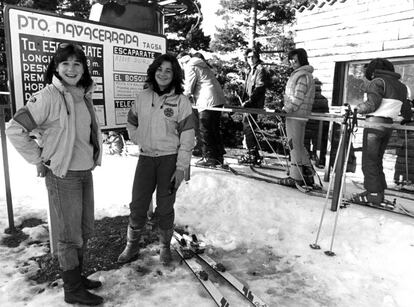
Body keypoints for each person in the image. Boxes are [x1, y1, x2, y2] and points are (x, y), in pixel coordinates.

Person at [6, 43, 103, 305]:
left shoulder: (83, 94)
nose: (71, 69)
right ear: (56, 68)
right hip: (63, 176)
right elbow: (15, 129)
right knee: (69, 235)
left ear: (83, 69)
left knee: (84, 230)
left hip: (84, 172)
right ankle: (72, 290)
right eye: (66, 64)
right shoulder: (48, 96)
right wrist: (38, 158)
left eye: (77, 64)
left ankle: (78, 277)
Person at [118, 53, 195, 265]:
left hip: (169, 160)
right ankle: (132, 246)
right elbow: (131, 123)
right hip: (145, 159)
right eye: (159, 69)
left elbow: (188, 139)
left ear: (175, 75)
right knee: (138, 204)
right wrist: (139, 137)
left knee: (164, 207)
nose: (163, 74)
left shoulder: (182, 102)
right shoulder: (142, 97)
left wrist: (181, 168)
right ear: (154, 71)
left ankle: (164, 247)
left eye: (168, 70)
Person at [351, 58, 412, 205]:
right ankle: (378, 192)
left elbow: (372, 104)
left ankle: (373, 194)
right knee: (377, 160)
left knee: (369, 161)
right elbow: (406, 110)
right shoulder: (401, 86)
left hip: (374, 125)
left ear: (372, 71)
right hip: (388, 126)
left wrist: (357, 109)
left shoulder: (378, 82)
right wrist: (406, 118)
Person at [179, 52, 226, 166]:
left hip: (207, 100)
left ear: (181, 62)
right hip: (217, 98)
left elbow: (189, 89)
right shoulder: (200, 64)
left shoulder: (190, 65)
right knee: (213, 128)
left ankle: (209, 158)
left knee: (205, 128)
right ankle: (218, 156)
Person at [280, 48, 316, 187]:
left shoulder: (302, 76)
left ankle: (296, 177)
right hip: (299, 114)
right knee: (299, 145)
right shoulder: (303, 75)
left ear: (302, 59)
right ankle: (307, 174)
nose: (292, 62)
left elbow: (297, 97)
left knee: (293, 144)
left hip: (295, 114)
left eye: (295, 60)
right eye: (291, 60)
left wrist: (286, 109)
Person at [238, 48, 268, 165]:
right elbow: (247, 88)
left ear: (257, 57)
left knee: (249, 127)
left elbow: (260, 88)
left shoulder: (260, 70)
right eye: (248, 57)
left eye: (253, 57)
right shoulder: (250, 70)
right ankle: (253, 153)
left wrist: (250, 101)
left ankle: (252, 154)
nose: (250, 59)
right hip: (249, 103)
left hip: (253, 104)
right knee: (247, 127)